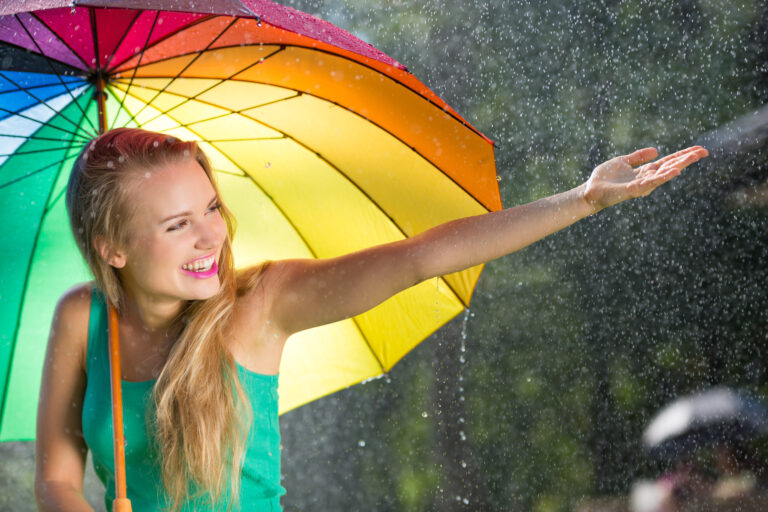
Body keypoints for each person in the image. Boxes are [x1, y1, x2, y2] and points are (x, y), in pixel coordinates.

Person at [33, 127, 708, 512]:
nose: (211, 237)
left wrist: (584, 199)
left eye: (211, 208)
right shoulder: (81, 320)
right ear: (112, 249)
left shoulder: (262, 304)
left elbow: (423, 257)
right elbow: (58, 479)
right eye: (178, 224)